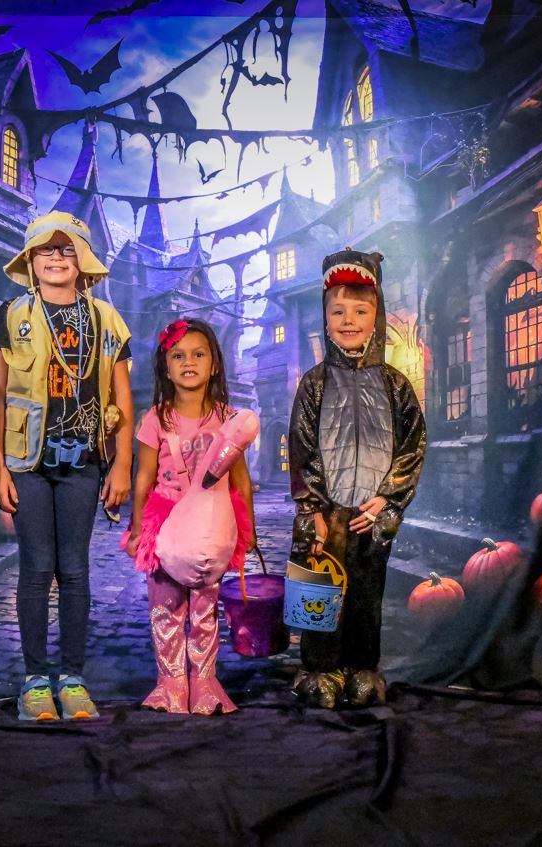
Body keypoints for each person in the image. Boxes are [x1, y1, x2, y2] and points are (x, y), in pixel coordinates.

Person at [0, 211, 133, 721]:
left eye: (66, 249)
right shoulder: (10, 316)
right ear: (29, 260)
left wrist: (121, 467)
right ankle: (33, 680)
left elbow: (123, 402)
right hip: (27, 461)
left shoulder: (107, 321)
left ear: (82, 261)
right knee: (35, 568)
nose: (54, 258)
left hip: (84, 461)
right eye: (44, 250)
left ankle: (71, 677)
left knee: (74, 569)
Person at [288, 248, 426, 709]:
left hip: (370, 513)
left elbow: (412, 445)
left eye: (360, 311)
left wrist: (388, 500)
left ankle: (364, 667)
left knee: (366, 592)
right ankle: (320, 670)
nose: (349, 320)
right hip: (329, 513)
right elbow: (303, 447)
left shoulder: (394, 385)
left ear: (376, 316)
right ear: (325, 318)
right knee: (321, 591)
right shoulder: (313, 385)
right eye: (338, 311)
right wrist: (312, 512)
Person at [124, 318, 257, 714]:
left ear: (214, 364)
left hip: (210, 531)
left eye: (198, 355)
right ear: (166, 367)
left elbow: (242, 482)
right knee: (165, 609)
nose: (188, 363)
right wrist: (136, 529)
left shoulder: (226, 419)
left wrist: (245, 530)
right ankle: (170, 685)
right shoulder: (155, 420)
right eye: (178, 356)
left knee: (204, 609)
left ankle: (204, 684)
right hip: (165, 529)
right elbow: (143, 479)